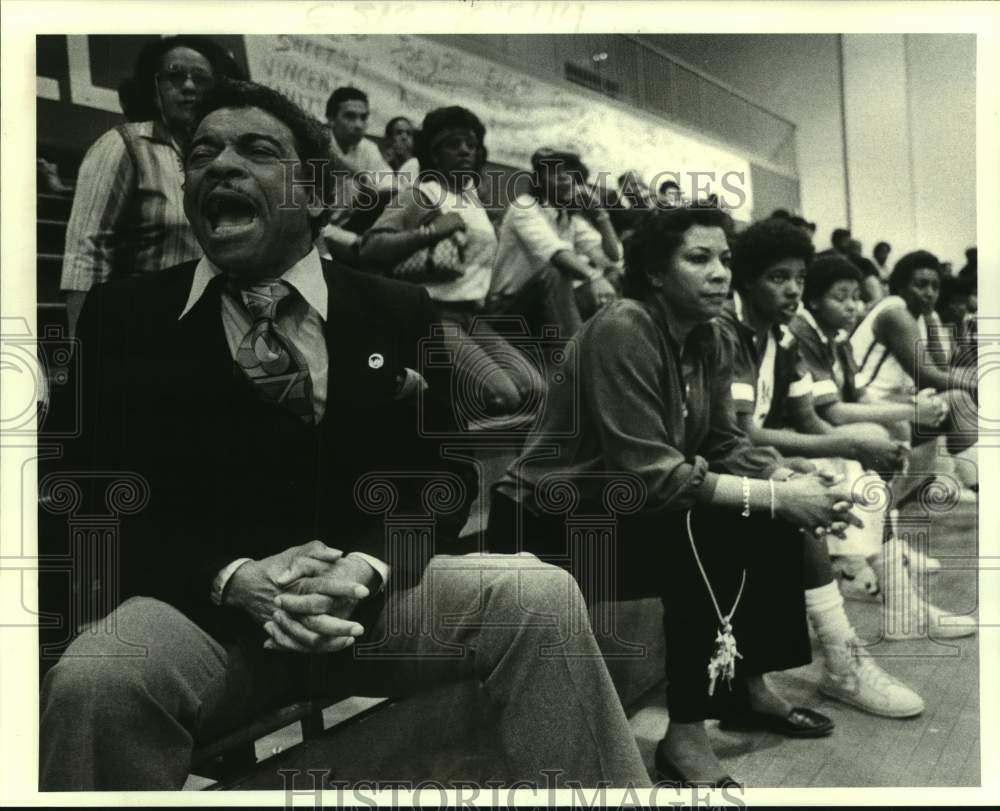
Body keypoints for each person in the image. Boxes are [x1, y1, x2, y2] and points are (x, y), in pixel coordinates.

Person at [38, 79, 652, 791]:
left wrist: (365, 567)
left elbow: (445, 478)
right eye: (201, 153)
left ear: (317, 190)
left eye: (255, 149)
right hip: (205, 614)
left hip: (370, 604)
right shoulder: (126, 315)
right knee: (95, 678)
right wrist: (233, 577)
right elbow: (79, 490)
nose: (219, 166)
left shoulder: (396, 308)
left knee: (537, 594)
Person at [488, 204, 866, 787]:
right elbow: (651, 477)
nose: (719, 272)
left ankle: (746, 686)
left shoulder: (710, 337)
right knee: (707, 529)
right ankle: (686, 736)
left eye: (724, 259)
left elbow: (723, 441)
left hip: (623, 508)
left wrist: (786, 481)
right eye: (699, 258)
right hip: (545, 520)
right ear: (656, 273)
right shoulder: (623, 327)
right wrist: (770, 495)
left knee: (762, 516)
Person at [718, 217, 934, 717]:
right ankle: (843, 656)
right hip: (726, 465)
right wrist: (837, 450)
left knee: (850, 458)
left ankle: (886, 592)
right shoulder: (730, 336)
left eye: (797, 276)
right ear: (747, 281)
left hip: (753, 457)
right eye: (778, 278)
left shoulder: (783, 340)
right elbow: (742, 434)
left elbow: (810, 419)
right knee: (815, 485)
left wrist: (848, 445)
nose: (792, 289)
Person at [791, 255, 974, 635]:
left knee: (884, 443)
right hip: (805, 440)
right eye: (842, 297)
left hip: (836, 423)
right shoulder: (803, 334)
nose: (854, 307)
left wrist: (909, 409)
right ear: (813, 300)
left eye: (857, 297)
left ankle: (897, 600)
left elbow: (848, 405)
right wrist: (907, 411)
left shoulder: (836, 338)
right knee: (870, 454)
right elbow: (828, 416)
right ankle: (891, 601)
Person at [359, 106, 543, 418]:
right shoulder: (420, 195)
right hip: (434, 315)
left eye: (471, 145)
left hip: (473, 317)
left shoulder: (472, 200)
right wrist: (430, 232)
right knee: (504, 397)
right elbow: (370, 248)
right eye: (453, 144)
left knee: (535, 389)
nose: (464, 151)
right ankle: (435, 418)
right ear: (434, 153)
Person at [59, 35, 246, 336]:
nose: (188, 86)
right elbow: (86, 254)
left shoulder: (224, 161)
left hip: (213, 331)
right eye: (174, 76)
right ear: (155, 89)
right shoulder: (124, 145)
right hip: (140, 328)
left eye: (200, 79)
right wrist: (82, 352)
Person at [488, 148, 620, 340]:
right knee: (556, 272)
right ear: (539, 181)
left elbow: (613, 257)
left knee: (614, 276)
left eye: (570, 173)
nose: (564, 178)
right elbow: (555, 253)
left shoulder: (568, 219)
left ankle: (604, 347)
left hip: (544, 309)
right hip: (507, 308)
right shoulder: (524, 206)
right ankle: (576, 359)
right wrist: (593, 276)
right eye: (554, 172)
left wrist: (600, 214)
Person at [319, 87, 395, 259]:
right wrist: (353, 240)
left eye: (363, 117)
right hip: (320, 232)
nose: (359, 125)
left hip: (352, 224)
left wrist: (356, 173)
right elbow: (308, 219)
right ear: (331, 119)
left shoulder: (368, 148)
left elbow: (390, 189)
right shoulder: (316, 146)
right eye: (350, 116)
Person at [382, 115, 419, 185]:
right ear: (389, 139)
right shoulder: (382, 165)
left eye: (409, 133)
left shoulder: (417, 166)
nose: (404, 137)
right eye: (399, 133)